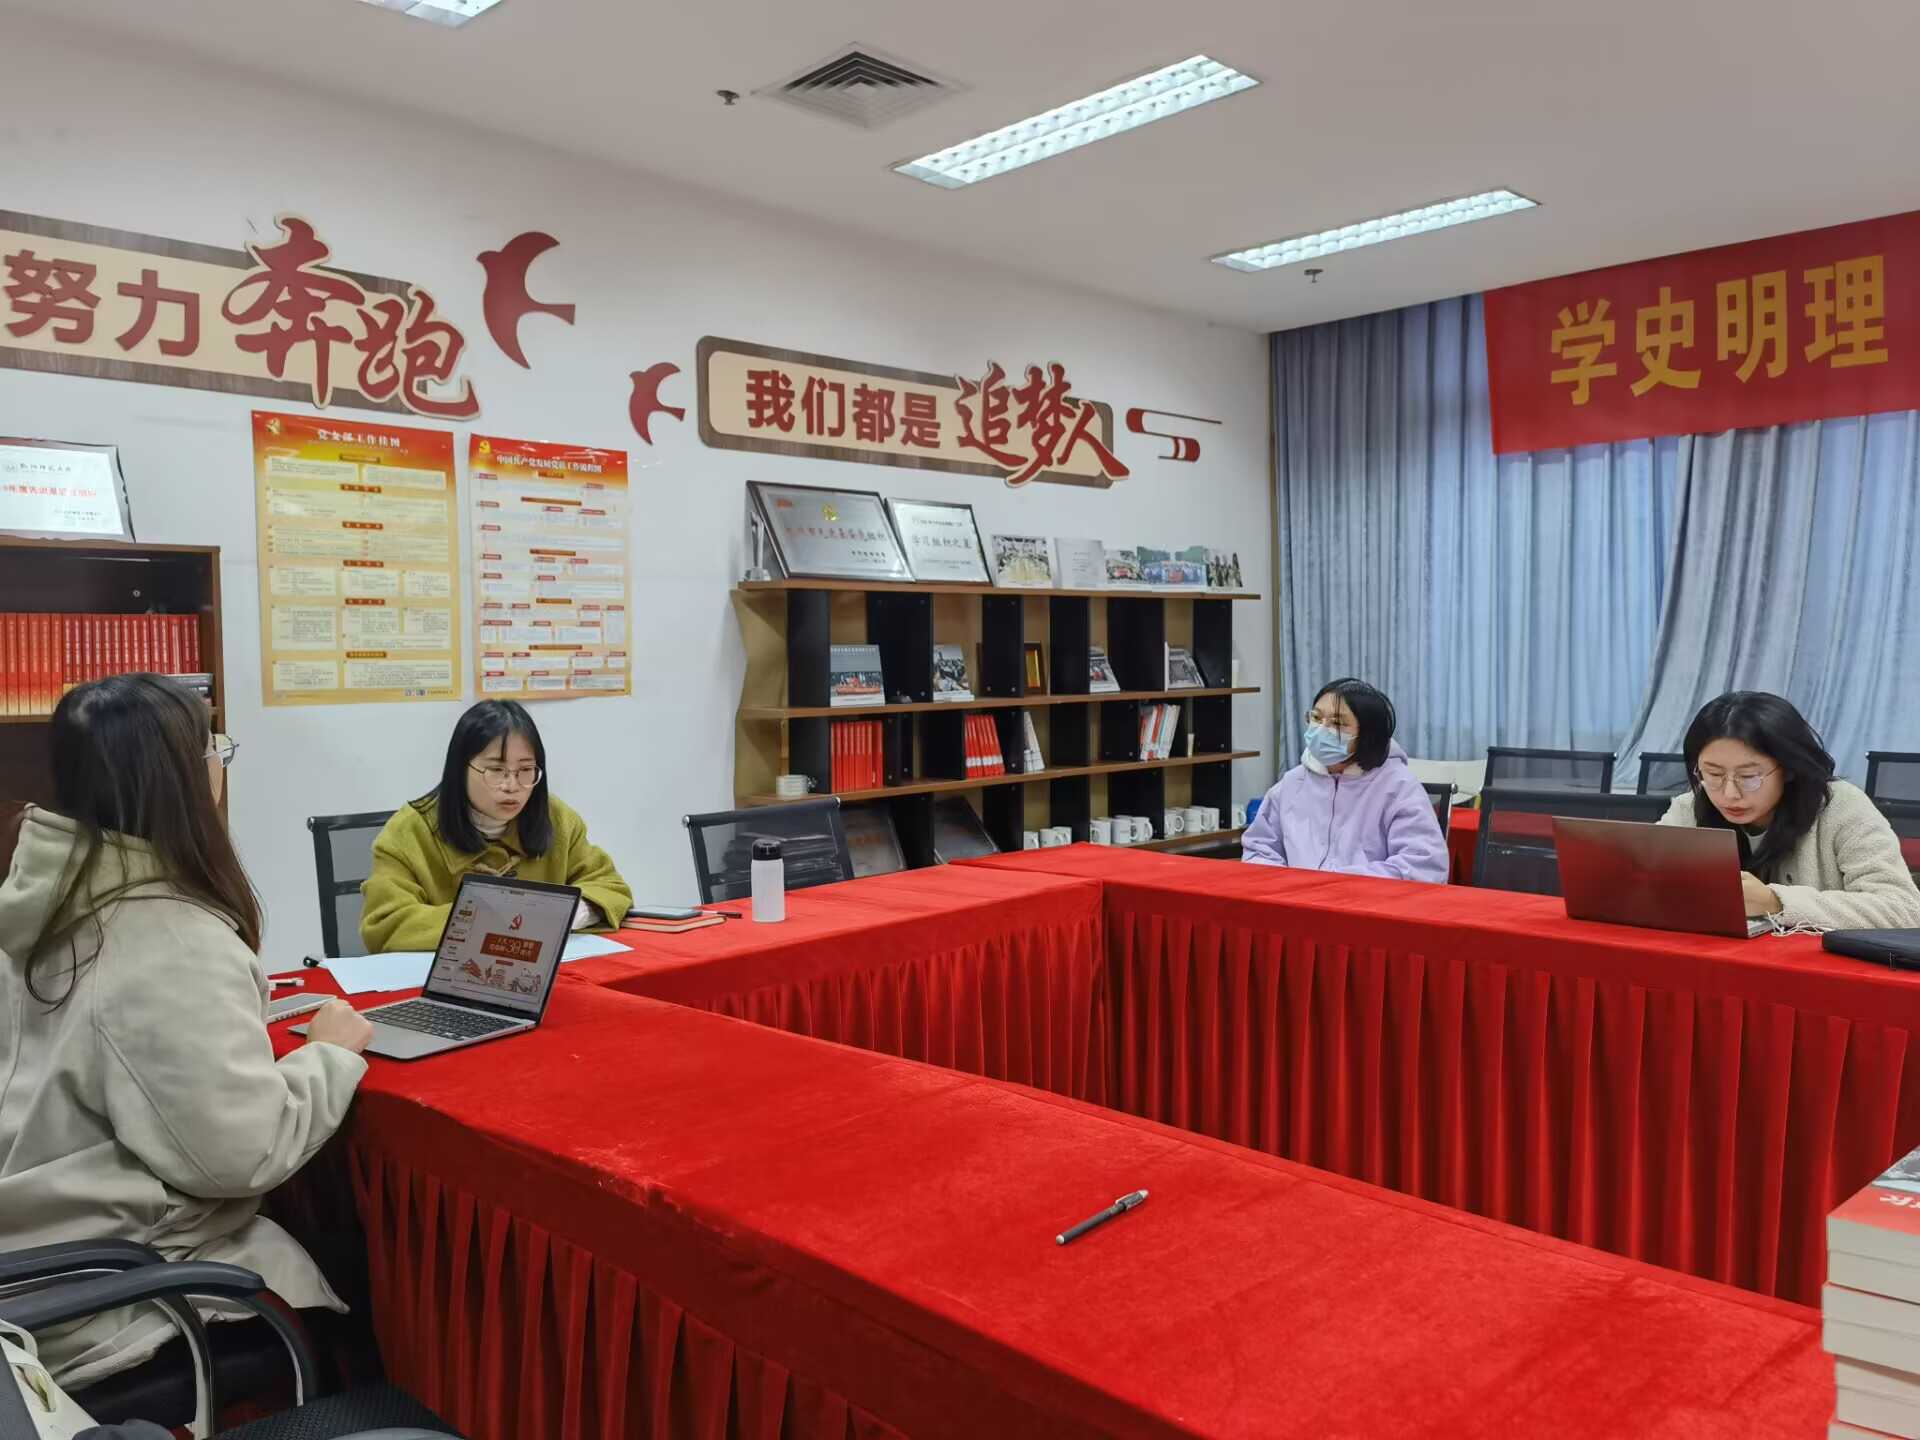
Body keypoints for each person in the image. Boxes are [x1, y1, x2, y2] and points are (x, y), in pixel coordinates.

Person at [0, 674, 373, 1386]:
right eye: (215, 750)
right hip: (111, 1285)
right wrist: (327, 1056)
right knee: (369, 1271)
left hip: (31, 1247)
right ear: (183, 779)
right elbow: (243, 1153)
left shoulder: (38, 901)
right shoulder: (166, 938)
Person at [361, 699, 633, 952]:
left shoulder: (556, 819)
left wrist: (566, 914)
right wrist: (494, 918)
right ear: (460, 770)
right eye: (496, 770)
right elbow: (386, 924)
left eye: (525, 770)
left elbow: (610, 888)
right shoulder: (409, 831)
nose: (512, 786)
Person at [1658, 691, 1920, 929]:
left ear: (1788, 769)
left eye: (1749, 777)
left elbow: (1904, 909)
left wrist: (1776, 901)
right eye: (1713, 774)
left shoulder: (1842, 806)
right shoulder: (1689, 808)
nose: (1729, 794)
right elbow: (1646, 880)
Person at [1241, 678, 1448, 883]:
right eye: (1316, 718)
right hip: (1293, 898)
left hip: (1365, 901)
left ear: (1367, 734)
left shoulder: (1398, 786)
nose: (1321, 730)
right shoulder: (1293, 783)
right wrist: (1286, 885)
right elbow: (1259, 848)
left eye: (1337, 724)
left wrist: (1334, 885)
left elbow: (1421, 866)